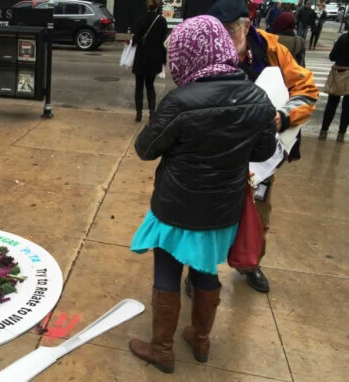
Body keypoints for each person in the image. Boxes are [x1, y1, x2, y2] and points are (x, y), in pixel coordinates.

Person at [128, 15, 277, 374]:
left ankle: (162, 348)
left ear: (186, 54)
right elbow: (261, 151)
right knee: (205, 270)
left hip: (176, 206)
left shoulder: (180, 101)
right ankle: (200, 338)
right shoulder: (257, 97)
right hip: (222, 211)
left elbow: (145, 149)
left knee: (167, 271)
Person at [205, 0, 318, 293]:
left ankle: (250, 264)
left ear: (246, 25)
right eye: (218, 32)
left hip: (262, 157)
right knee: (206, 218)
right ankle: (201, 273)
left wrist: (282, 117)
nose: (224, 41)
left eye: (230, 31)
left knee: (258, 214)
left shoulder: (272, 50)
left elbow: (306, 89)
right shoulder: (207, 50)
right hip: (216, 156)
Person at [131, 0, 168, 122]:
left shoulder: (140, 20)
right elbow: (163, 43)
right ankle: (152, 113)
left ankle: (138, 114)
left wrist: (132, 41)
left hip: (141, 58)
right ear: (158, 6)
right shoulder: (162, 21)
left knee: (139, 86)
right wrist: (163, 59)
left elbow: (135, 40)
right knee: (150, 85)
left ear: (147, 6)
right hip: (154, 58)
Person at [319, 32, 349, 142]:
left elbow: (332, 56)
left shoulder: (343, 38)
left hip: (339, 72)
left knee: (331, 104)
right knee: (347, 107)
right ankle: (341, 134)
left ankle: (324, 131)